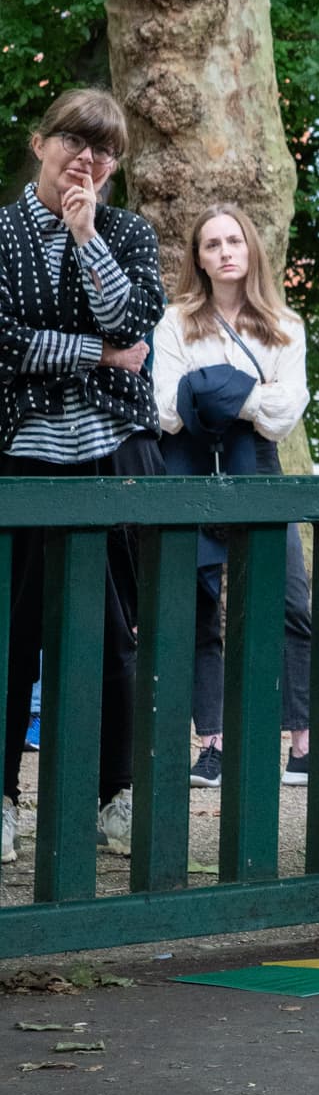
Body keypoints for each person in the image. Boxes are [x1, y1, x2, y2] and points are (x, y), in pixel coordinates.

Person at [0, 87, 165, 864]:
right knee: (12, 636)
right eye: (75, 141)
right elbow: (3, 341)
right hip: (21, 450)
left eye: (104, 151)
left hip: (114, 450)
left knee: (114, 633)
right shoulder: (0, 233)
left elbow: (135, 322)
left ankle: (116, 794)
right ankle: (4, 797)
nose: (87, 160)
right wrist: (96, 354)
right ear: (41, 144)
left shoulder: (127, 231)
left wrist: (88, 237)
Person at [153, 205, 313, 788]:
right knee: (203, 612)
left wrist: (215, 392)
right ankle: (213, 744)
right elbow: (167, 411)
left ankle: (301, 744)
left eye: (234, 241)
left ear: (251, 250)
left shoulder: (284, 324)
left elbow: (284, 415)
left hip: (258, 464)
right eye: (212, 243)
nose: (224, 251)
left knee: (291, 600)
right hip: (192, 466)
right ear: (198, 257)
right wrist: (252, 392)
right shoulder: (174, 323)